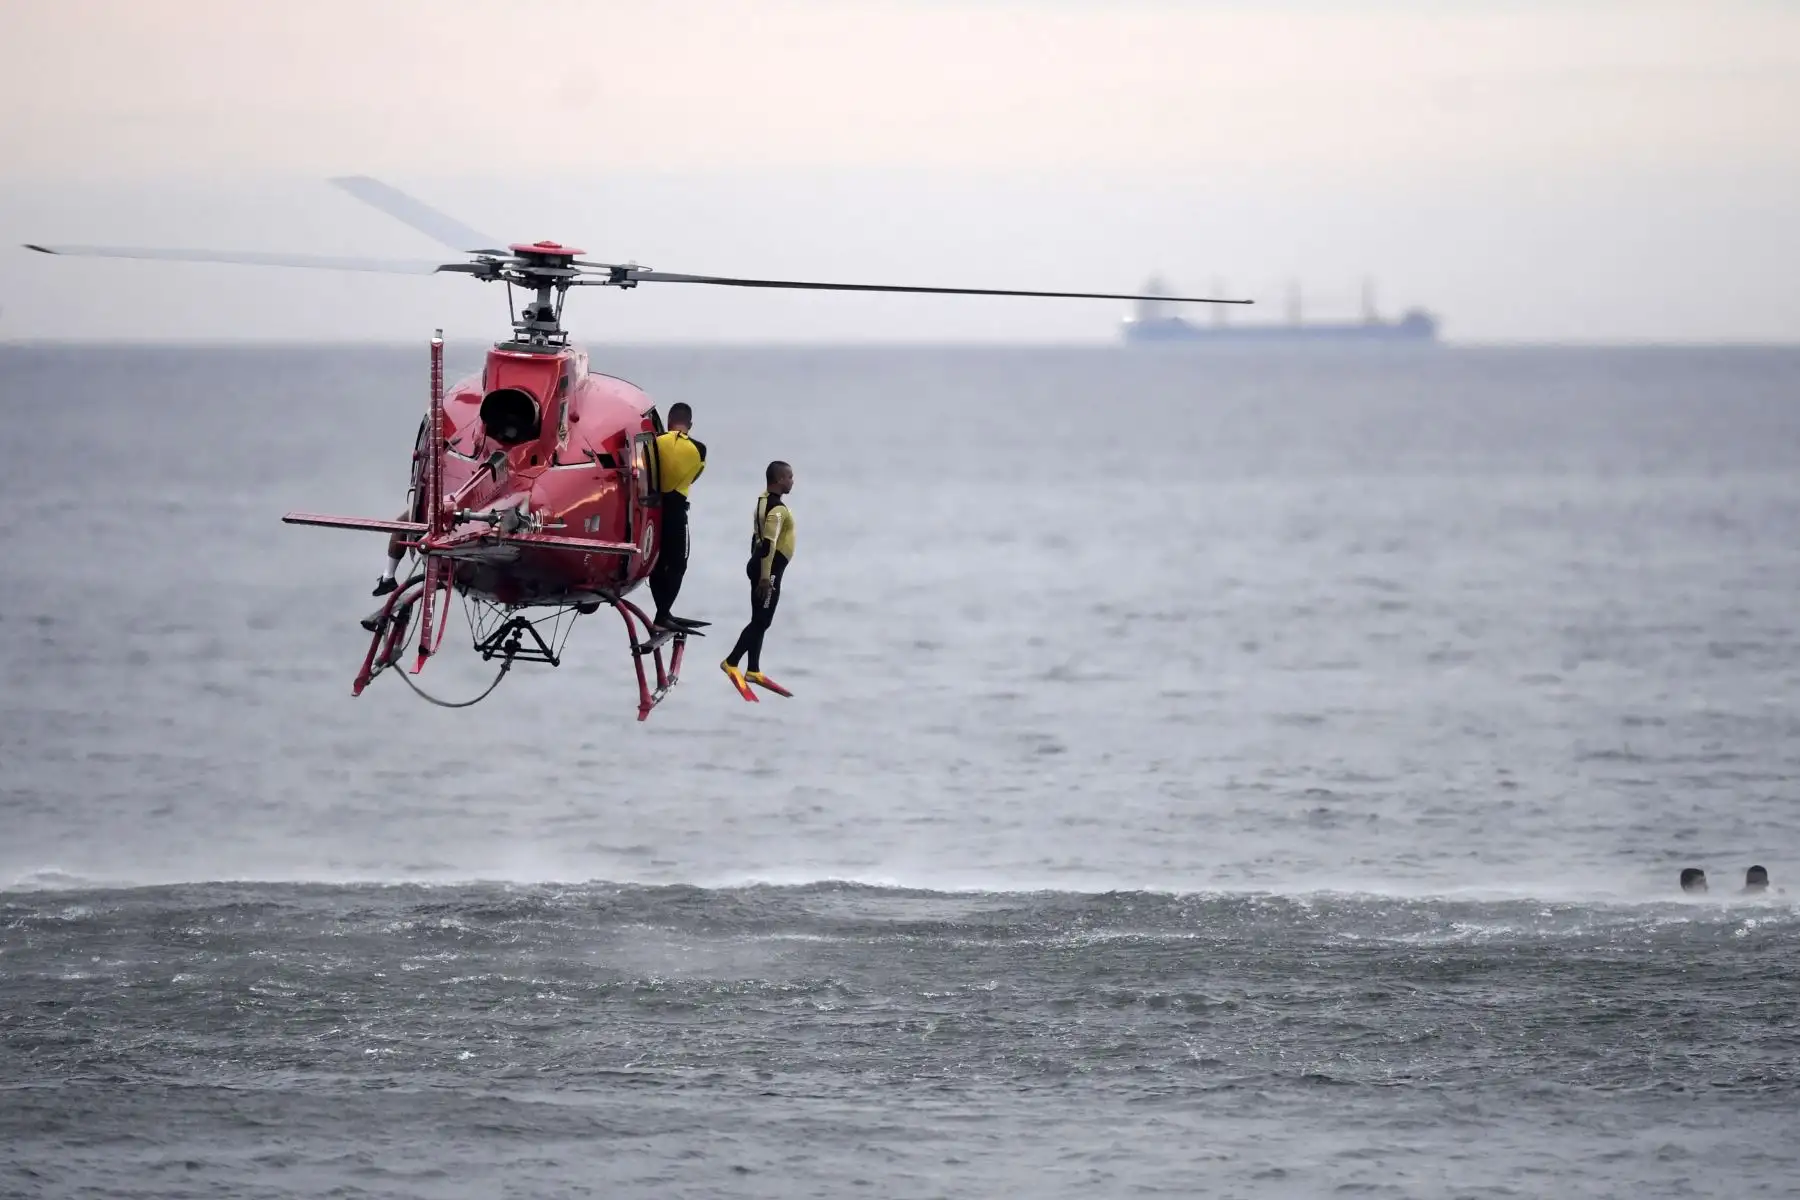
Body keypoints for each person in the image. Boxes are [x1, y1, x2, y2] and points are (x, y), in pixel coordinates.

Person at [722, 461, 796, 697]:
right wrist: (765, 577)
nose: (792, 481)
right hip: (769, 570)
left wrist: (757, 567)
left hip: (760, 565)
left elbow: (757, 536)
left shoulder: (762, 500)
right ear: (779, 479)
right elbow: (768, 543)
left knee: (759, 619)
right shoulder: (777, 510)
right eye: (789, 477)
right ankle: (731, 662)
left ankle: (753, 669)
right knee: (762, 622)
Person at [649, 403, 706, 630]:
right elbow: (694, 477)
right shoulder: (699, 449)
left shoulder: (655, 441)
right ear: (690, 424)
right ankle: (663, 614)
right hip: (676, 510)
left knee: (656, 561)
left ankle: (662, 612)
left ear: (668, 419)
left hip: (653, 508)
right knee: (677, 564)